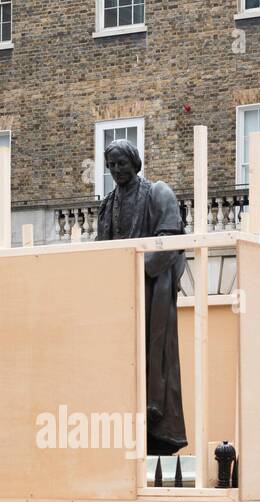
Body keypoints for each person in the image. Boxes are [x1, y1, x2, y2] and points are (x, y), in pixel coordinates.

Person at [95, 139, 188, 457]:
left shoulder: (158, 192)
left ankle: (156, 426)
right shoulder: (107, 204)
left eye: (122, 163)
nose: (117, 170)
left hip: (151, 294)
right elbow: (101, 251)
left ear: (135, 163)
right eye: (111, 165)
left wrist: (134, 272)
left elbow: (169, 240)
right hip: (118, 297)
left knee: (155, 361)